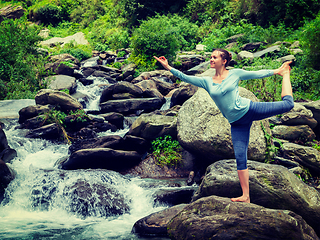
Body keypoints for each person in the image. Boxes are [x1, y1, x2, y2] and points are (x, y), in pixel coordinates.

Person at [154, 49, 294, 203]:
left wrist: (278, 71)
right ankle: (246, 196)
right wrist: (168, 67)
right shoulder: (207, 81)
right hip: (236, 124)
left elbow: (257, 73)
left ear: (224, 61)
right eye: (211, 57)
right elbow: (185, 77)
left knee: (288, 104)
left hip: (250, 110)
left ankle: (285, 74)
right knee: (240, 158)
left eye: (215, 57)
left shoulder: (235, 74)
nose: (211, 59)